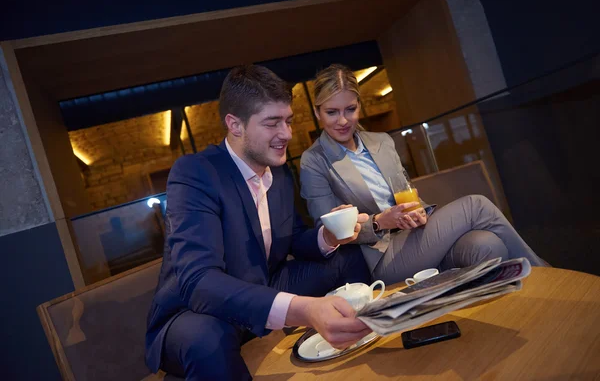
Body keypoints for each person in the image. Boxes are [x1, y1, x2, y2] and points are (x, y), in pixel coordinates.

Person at [145, 65, 373, 380]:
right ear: (234, 125)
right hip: (196, 311)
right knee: (205, 339)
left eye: (288, 121)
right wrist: (304, 309)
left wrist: (328, 237)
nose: (287, 134)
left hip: (265, 284)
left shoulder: (278, 172)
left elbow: (294, 238)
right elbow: (199, 281)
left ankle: (367, 337)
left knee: (347, 257)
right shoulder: (195, 173)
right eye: (272, 123)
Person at [299, 64, 547, 285]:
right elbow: (328, 230)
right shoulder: (314, 161)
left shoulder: (382, 142)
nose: (343, 120)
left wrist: (416, 212)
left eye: (350, 109)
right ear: (318, 112)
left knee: (487, 245)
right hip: (381, 256)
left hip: (416, 236)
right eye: (332, 112)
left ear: (359, 106)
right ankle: (545, 278)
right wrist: (379, 221)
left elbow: (406, 193)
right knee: (477, 205)